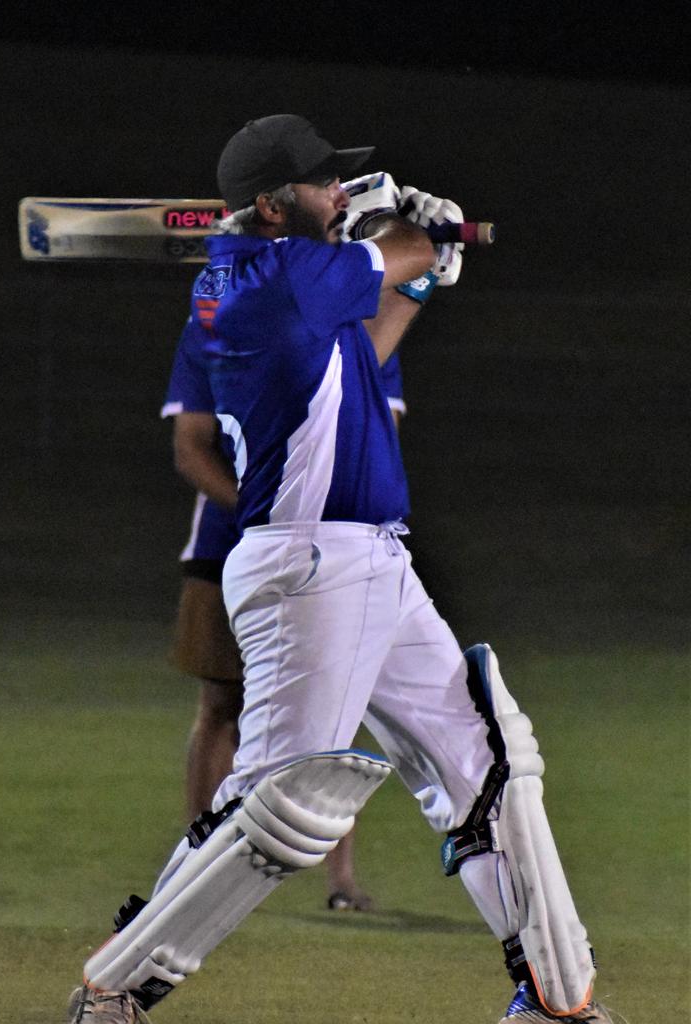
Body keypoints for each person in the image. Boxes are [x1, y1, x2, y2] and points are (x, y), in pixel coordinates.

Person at [68, 115, 616, 1024]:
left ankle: (556, 1001)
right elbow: (393, 254)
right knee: (275, 812)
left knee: (487, 764)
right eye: (325, 184)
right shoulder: (273, 279)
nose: (341, 192)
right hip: (312, 567)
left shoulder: (287, 278)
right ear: (274, 205)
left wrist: (423, 265)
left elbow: (366, 347)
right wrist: (421, 230)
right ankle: (117, 987)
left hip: (369, 558)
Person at [161, 340, 407, 911]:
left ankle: (341, 881)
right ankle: (198, 874)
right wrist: (266, 518)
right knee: (220, 707)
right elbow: (192, 449)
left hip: (330, 552)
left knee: (332, 718)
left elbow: (373, 440)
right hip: (227, 548)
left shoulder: (357, 335)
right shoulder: (215, 328)